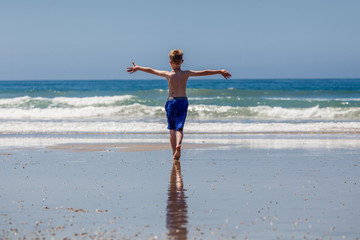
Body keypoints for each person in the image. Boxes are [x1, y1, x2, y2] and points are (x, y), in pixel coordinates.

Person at [127, 49, 231, 160]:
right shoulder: (186, 73)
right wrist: (219, 71)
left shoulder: (168, 74)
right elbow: (203, 72)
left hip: (171, 102)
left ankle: (174, 152)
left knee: (171, 129)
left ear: (170, 62)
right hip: (183, 101)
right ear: (182, 61)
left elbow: (151, 70)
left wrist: (138, 68)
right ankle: (179, 144)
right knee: (179, 129)